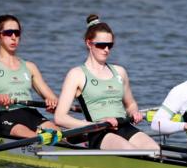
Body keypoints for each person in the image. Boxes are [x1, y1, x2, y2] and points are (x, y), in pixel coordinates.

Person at [54, 14, 159, 150]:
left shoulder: (120, 72)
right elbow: (60, 118)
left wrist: (134, 112)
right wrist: (91, 125)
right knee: (130, 151)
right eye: (102, 45)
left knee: (155, 150)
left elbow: (131, 104)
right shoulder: (76, 75)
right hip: (99, 132)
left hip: (124, 126)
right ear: (89, 43)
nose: (106, 50)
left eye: (110, 45)